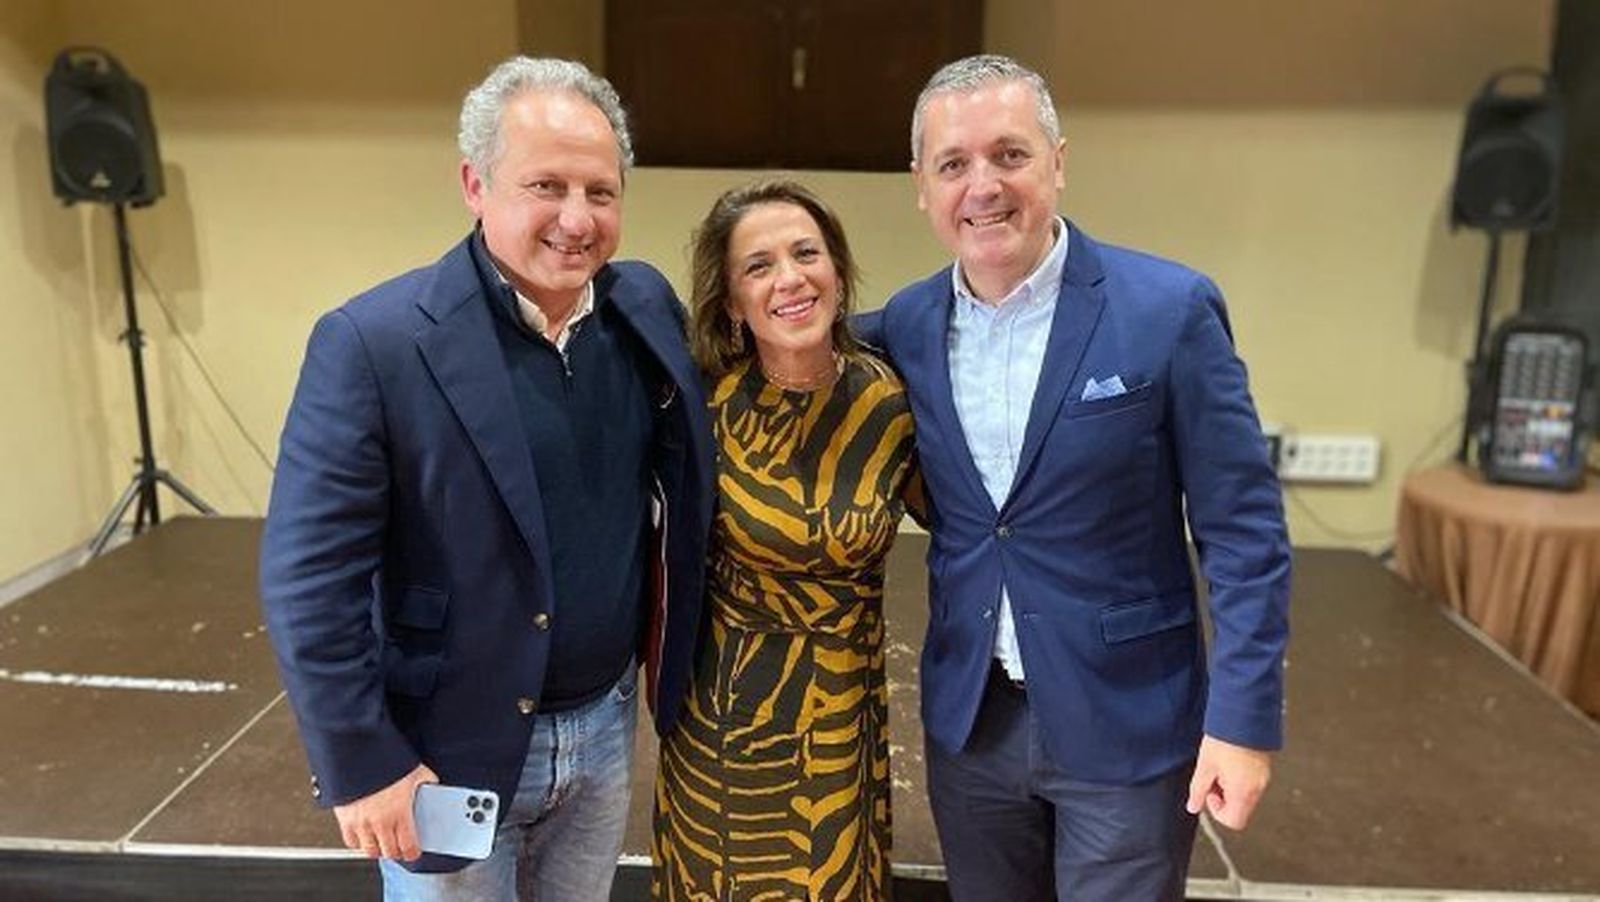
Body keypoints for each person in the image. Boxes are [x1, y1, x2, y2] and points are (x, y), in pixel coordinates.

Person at [258, 56, 714, 901]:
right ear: (475, 185)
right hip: (446, 752)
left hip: (606, 731)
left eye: (601, 192)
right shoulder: (373, 345)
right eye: (546, 186)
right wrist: (365, 763)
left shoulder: (642, 309)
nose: (576, 219)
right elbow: (307, 579)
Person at [857, 55, 1291, 901]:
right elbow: (793, 343)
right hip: (972, 727)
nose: (983, 186)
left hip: (1128, 724)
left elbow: (1245, 534)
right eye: (953, 164)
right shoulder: (908, 324)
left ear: (1057, 162)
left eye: (1010, 155)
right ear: (922, 186)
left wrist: (1243, 724)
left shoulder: (1168, 310)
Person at [651, 180, 919, 901]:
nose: (790, 278)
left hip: (842, 717)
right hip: (725, 723)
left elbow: (975, 529)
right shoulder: (701, 409)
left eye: (806, 254)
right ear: (733, 303)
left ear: (838, 271)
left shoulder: (890, 404)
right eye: (758, 266)